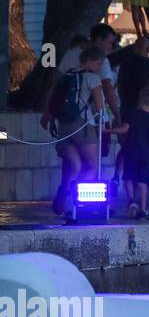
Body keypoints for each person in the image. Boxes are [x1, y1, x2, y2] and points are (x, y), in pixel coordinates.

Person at [46, 45, 109, 216]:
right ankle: (75, 201)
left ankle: (64, 195)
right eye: (98, 63)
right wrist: (102, 125)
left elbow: (54, 99)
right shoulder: (92, 78)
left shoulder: (66, 75)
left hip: (63, 127)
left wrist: (51, 120)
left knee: (75, 166)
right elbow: (99, 107)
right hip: (83, 126)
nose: (100, 67)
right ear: (88, 62)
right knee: (93, 166)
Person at [113, 76, 149, 219]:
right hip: (147, 154)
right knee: (143, 182)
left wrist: (108, 131)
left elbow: (124, 129)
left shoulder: (132, 114)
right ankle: (144, 208)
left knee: (128, 177)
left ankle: (132, 201)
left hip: (131, 151)